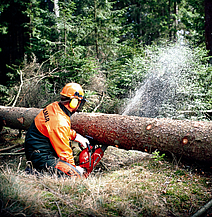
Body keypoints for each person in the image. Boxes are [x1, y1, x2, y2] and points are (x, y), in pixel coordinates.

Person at [25, 83, 89, 178]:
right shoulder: (59, 121)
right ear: (74, 102)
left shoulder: (55, 107)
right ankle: (35, 173)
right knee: (74, 175)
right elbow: (64, 153)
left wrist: (76, 136)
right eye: (79, 102)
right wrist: (73, 169)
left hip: (35, 149)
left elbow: (58, 130)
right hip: (40, 155)